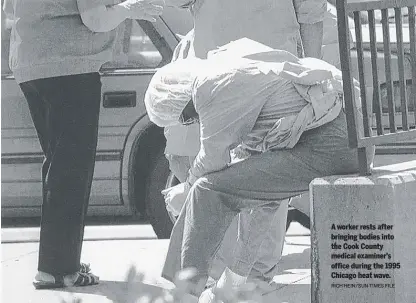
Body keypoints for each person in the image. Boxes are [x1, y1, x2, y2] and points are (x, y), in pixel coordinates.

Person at [145, 38, 371, 301]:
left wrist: (185, 190)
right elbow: (263, 196)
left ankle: (185, 292)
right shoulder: (230, 62)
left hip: (332, 144)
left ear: (178, 96)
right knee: (253, 192)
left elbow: (212, 162)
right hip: (349, 141)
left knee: (205, 189)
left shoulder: (210, 86)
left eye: (182, 118)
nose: (189, 122)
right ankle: (231, 284)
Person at [162, 0, 327, 291]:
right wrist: (311, 75)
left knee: (227, 175)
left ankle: (236, 278)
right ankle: (245, 278)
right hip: (265, 76)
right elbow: (311, 15)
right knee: (260, 179)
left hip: (230, 78)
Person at [3, 0, 164, 289]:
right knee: (72, 170)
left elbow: (8, 11)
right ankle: (58, 270)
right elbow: (95, 20)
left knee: (57, 166)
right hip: (70, 65)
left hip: (29, 64)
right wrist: (129, 8)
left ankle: (60, 261)